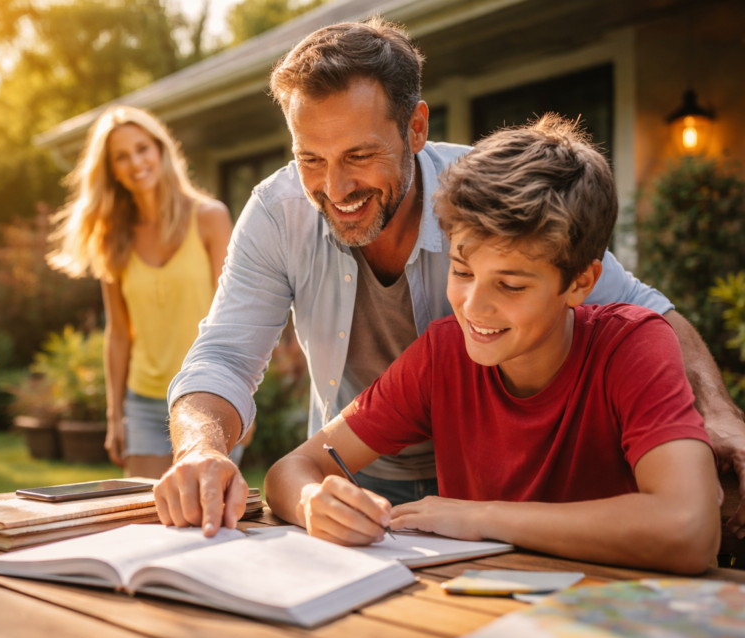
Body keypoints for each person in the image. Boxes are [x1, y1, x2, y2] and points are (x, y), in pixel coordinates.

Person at [154, 17, 745, 537]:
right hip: (358, 472)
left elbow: (643, 311)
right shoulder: (278, 214)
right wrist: (203, 450)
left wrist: (714, 412)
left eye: (359, 156)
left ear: (415, 129)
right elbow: (225, 357)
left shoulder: (484, 202)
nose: (335, 189)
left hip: (494, 492)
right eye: (310, 158)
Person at [263, 116, 721, 575]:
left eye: (511, 285)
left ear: (581, 282)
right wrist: (311, 502)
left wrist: (481, 517)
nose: (474, 308)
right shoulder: (444, 355)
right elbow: (292, 470)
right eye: (462, 272)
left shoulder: (633, 347)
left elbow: (690, 529)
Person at [48, 106, 234, 480]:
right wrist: (114, 415)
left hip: (208, 395)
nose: (135, 162)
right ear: (112, 170)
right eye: (121, 156)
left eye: (142, 148)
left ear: (161, 150)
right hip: (145, 401)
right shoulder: (113, 238)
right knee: (143, 520)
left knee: (206, 519)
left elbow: (234, 316)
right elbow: (118, 332)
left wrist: (243, 396)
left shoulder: (209, 217)